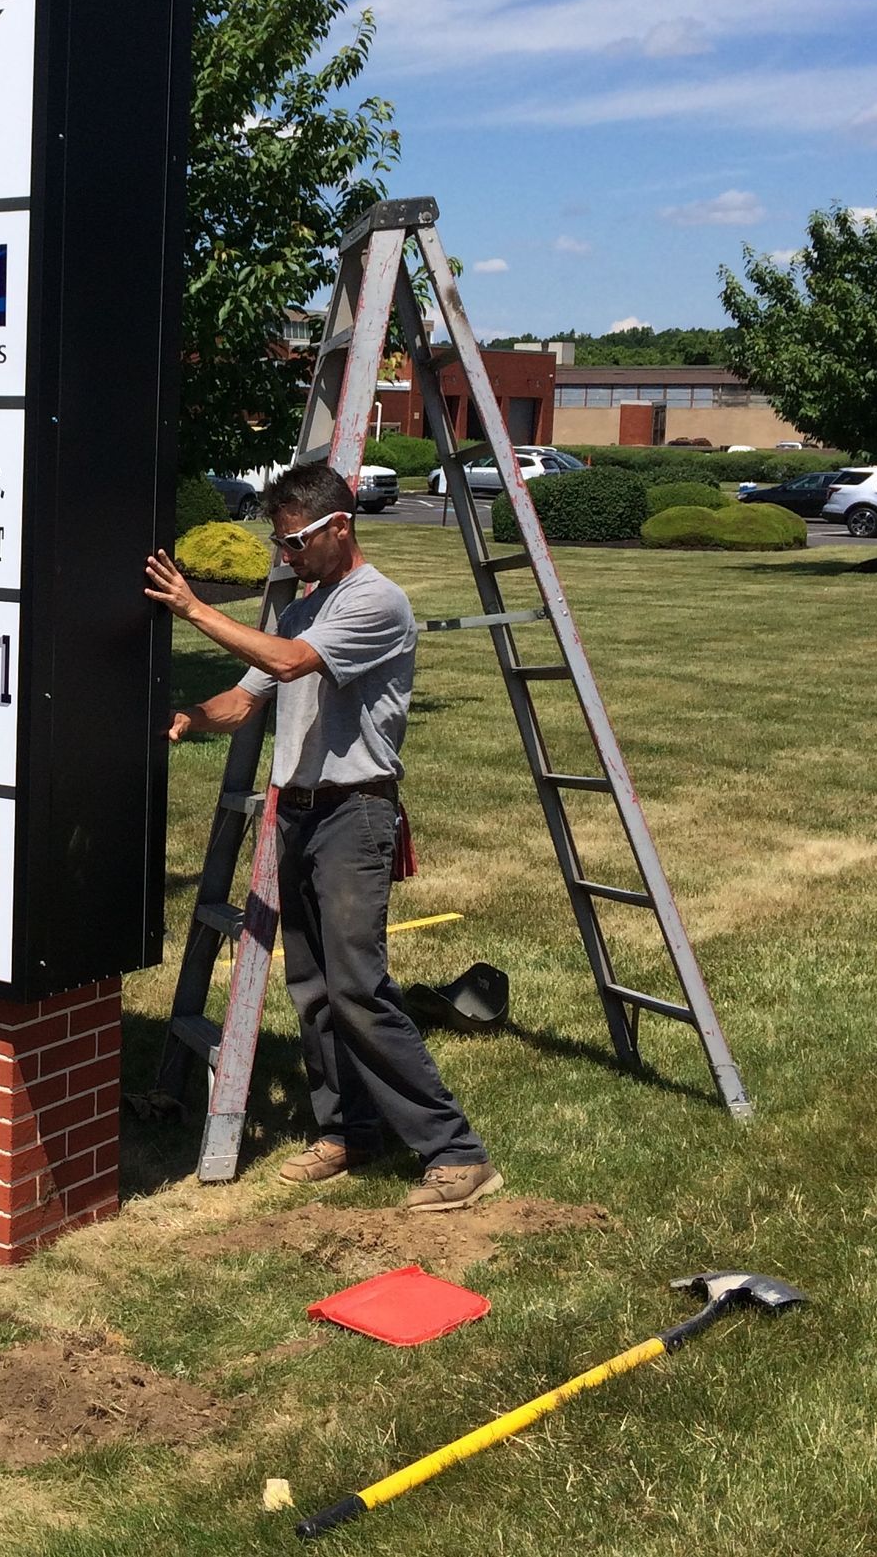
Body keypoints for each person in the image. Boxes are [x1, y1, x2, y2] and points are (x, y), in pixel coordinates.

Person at [144, 460, 501, 1212]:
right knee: (311, 988)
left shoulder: (376, 603)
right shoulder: (305, 605)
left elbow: (290, 661)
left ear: (341, 526)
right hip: (298, 811)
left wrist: (196, 611)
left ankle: (456, 1150)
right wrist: (189, 716)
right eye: (280, 544)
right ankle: (348, 1132)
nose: (287, 556)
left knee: (358, 987)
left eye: (296, 542)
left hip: (354, 812)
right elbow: (248, 700)